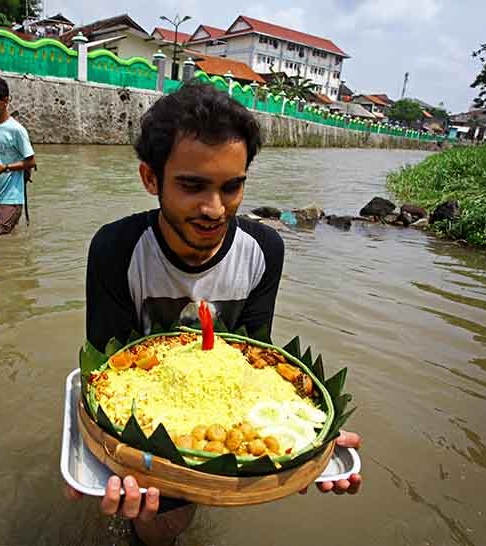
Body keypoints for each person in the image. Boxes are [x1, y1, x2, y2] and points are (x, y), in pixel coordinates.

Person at [67, 82, 362, 546]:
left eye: (232, 187)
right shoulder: (116, 250)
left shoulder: (264, 250)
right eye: (192, 186)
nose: (213, 209)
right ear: (150, 178)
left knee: (172, 523)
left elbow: (254, 360)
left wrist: (303, 438)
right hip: (150, 430)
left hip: (220, 429)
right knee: (147, 520)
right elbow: (108, 371)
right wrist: (102, 457)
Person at [0, 76, 36, 237]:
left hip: (11, 197)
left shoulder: (16, 130)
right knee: (3, 240)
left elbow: (31, 161)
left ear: (5, 101)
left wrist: (6, 167)